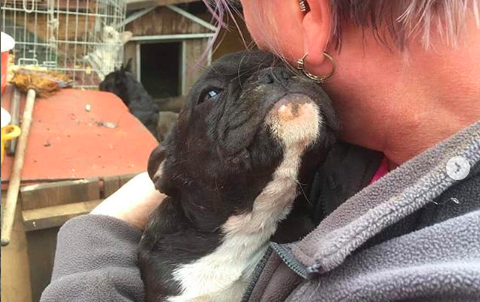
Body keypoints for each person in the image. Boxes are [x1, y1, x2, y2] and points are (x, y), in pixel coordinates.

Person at [41, 1, 480, 301]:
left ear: (309, 13)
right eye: (215, 95)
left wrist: (97, 234)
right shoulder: (368, 154)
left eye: (246, 14)